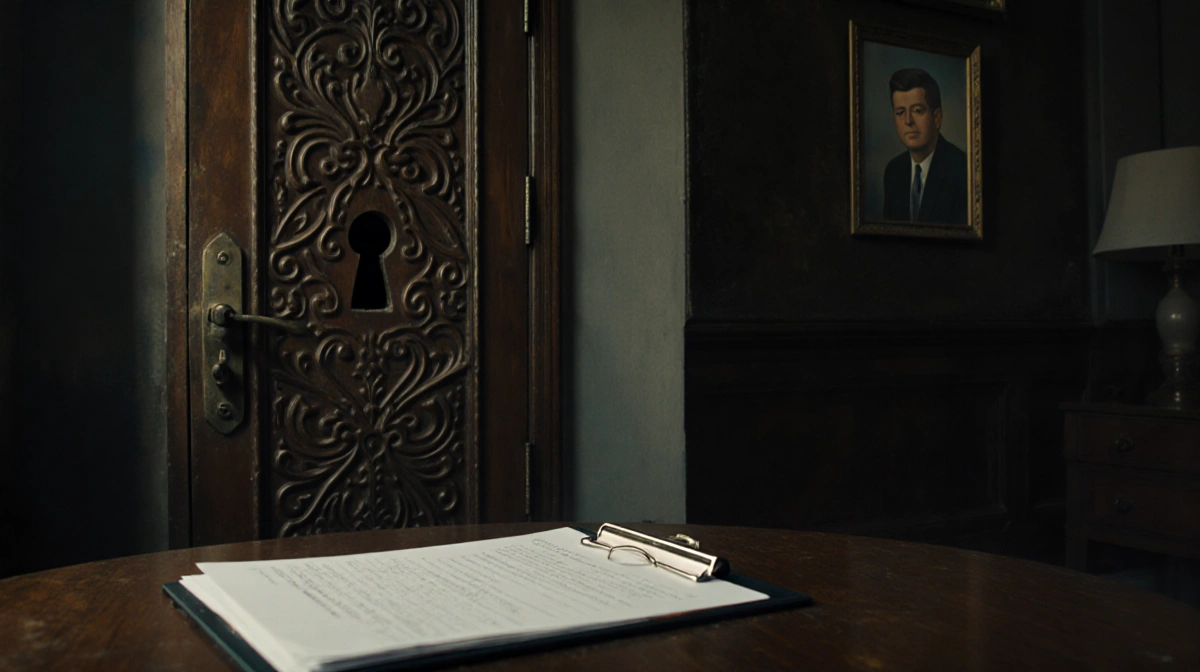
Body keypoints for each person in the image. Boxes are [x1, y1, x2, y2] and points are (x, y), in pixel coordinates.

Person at [882, 68, 968, 224]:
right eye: (900, 112)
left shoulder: (962, 170)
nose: (908, 121)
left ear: (937, 118)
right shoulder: (893, 171)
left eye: (917, 111)